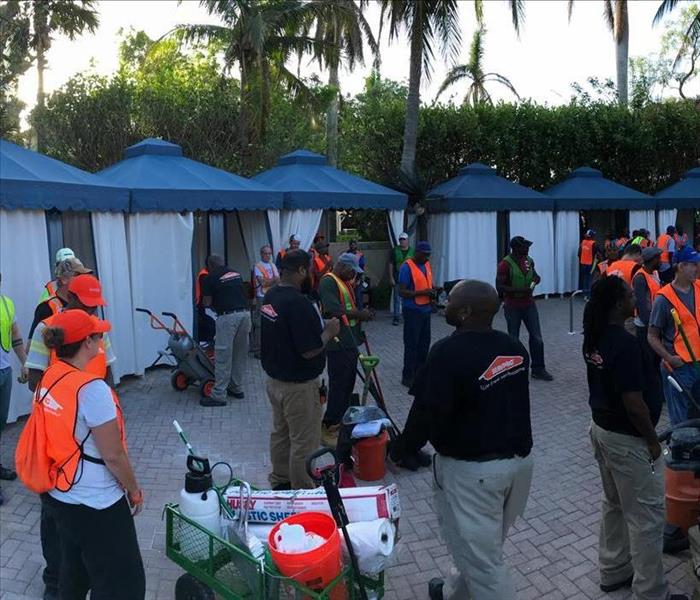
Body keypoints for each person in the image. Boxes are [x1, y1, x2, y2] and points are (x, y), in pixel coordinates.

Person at [421, 280, 533, 600]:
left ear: (466, 312)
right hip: (518, 468)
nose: (446, 304)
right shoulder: (514, 348)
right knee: (478, 545)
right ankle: (456, 593)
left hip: (474, 474)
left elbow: (427, 414)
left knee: (485, 563)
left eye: (452, 301)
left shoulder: (446, 352)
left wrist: (402, 449)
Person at [27, 310, 145, 600]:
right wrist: (134, 490)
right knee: (122, 582)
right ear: (87, 343)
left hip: (60, 495)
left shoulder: (50, 377)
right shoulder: (92, 390)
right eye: (98, 335)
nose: (102, 340)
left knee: (74, 572)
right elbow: (114, 455)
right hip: (97, 502)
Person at [583, 276, 687, 600]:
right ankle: (651, 591)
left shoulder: (596, 336)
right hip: (628, 441)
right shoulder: (624, 344)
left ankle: (614, 571)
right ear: (618, 304)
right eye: (630, 295)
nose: (635, 298)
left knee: (613, 503)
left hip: (602, 430)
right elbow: (634, 404)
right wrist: (652, 442)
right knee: (647, 518)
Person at [25, 274, 116, 600]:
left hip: (94, 433)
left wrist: (106, 414)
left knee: (89, 513)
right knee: (54, 515)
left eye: (96, 306)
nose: (92, 311)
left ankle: (80, 577)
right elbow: (35, 378)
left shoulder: (97, 329)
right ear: (70, 297)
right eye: (86, 304)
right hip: (58, 436)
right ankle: (55, 582)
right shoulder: (47, 329)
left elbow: (107, 373)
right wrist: (71, 397)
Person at [260, 250, 340, 489]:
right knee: (304, 443)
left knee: (281, 435)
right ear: (302, 271)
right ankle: (303, 493)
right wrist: (329, 331)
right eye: (310, 270)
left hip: (275, 383)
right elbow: (310, 350)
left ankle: (280, 481)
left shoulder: (270, 296)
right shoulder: (298, 303)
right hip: (299, 387)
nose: (312, 274)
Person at [319, 253, 373, 447]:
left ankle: (340, 422)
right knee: (339, 384)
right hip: (338, 342)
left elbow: (347, 310)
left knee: (348, 384)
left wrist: (359, 328)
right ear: (342, 266)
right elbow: (332, 310)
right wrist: (361, 314)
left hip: (349, 341)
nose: (353, 275)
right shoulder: (328, 282)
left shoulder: (344, 282)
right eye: (352, 271)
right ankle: (329, 424)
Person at [648, 245, 700, 426]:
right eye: (692, 264)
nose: (697, 268)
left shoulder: (699, 288)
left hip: (698, 363)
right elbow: (652, 335)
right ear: (680, 266)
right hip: (679, 367)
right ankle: (682, 451)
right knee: (680, 420)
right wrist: (668, 357)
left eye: (697, 264)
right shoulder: (664, 298)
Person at [496, 236, 554, 381]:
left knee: (537, 338)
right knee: (513, 339)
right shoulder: (505, 264)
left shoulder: (529, 260)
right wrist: (519, 291)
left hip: (529, 304)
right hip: (512, 306)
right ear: (515, 248)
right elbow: (500, 287)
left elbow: (535, 276)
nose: (527, 249)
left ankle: (538, 369)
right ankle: (513, 368)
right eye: (524, 246)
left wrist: (535, 281)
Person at [201, 255, 252, 407]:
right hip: (245, 315)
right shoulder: (235, 273)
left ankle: (219, 395)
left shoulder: (209, 278)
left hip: (227, 317)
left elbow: (207, 302)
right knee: (240, 353)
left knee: (223, 355)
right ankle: (236, 388)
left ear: (210, 265)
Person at [0, 273, 28, 506]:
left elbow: (16, 336)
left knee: (0, 424)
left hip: (4, 372)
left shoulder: (6, 304)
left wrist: (25, 362)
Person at [399, 241, 438, 388]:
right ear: (417, 253)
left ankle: (420, 374)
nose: (427, 258)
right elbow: (401, 291)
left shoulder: (426, 264)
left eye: (428, 255)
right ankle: (407, 376)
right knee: (412, 345)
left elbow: (427, 283)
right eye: (424, 255)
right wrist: (422, 293)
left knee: (424, 344)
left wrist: (434, 289)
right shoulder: (406, 267)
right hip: (412, 311)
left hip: (425, 310)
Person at [29, 257, 93, 340]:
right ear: (64, 279)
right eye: (78, 275)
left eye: (84, 276)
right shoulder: (46, 308)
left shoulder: (84, 304)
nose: (83, 279)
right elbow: (32, 343)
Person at [632, 248, 663, 382]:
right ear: (653, 260)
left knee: (656, 359)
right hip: (646, 327)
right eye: (659, 258)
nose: (661, 261)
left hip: (656, 322)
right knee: (648, 359)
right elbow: (641, 307)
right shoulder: (640, 278)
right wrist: (651, 327)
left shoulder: (654, 273)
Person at [251, 245, 280, 359]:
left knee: (272, 321)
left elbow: (277, 281)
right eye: (265, 253)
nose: (268, 255)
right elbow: (263, 283)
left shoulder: (272, 265)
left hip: (272, 295)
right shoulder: (258, 266)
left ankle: (268, 347)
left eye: (269, 253)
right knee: (259, 324)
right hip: (261, 297)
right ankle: (257, 349)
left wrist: (271, 281)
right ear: (261, 254)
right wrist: (273, 280)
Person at [388, 232, 415, 326]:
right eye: (401, 240)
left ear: (408, 240)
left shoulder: (413, 251)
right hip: (397, 277)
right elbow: (391, 264)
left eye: (404, 239)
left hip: (409, 278)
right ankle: (396, 317)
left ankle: (407, 316)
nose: (402, 241)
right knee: (397, 297)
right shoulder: (394, 250)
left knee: (408, 297)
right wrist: (391, 277)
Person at [194, 265, 215, 345]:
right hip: (201, 306)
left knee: (209, 325)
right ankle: (207, 345)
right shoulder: (204, 276)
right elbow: (206, 294)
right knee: (210, 326)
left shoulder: (204, 274)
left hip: (201, 305)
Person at [579, 229, 603, 298]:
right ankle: (589, 296)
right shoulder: (594, 244)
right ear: (592, 236)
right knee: (590, 279)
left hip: (583, 264)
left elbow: (579, 254)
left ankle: (584, 295)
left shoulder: (582, 243)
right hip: (591, 264)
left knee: (585, 279)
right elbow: (599, 253)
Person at [346, 239, 367, 309]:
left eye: (354, 244)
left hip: (357, 278)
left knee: (358, 297)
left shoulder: (360, 255)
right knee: (349, 297)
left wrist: (357, 280)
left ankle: (360, 314)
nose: (352, 245)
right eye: (351, 244)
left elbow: (361, 268)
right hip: (348, 278)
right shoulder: (346, 254)